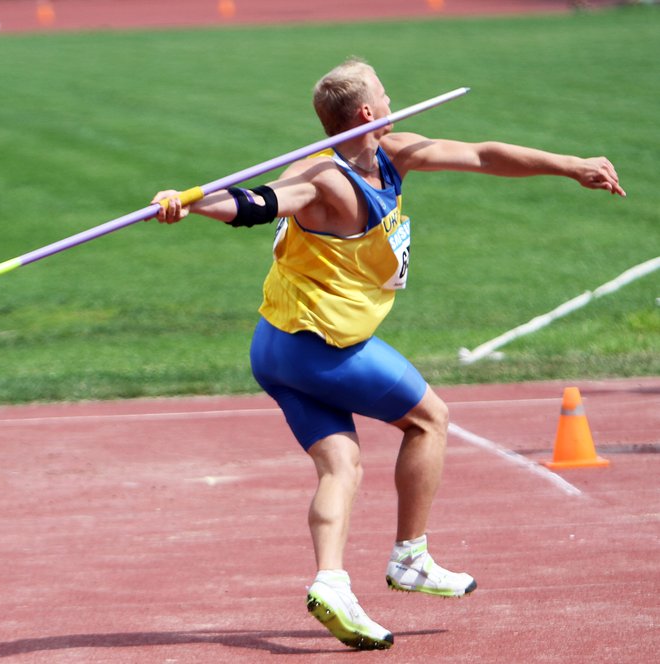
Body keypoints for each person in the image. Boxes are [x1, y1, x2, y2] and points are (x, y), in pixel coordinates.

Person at [152, 57, 624, 651]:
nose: (394, 97)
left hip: (274, 346)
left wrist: (568, 166)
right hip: (318, 348)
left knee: (341, 466)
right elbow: (258, 203)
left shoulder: (394, 154)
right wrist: (190, 202)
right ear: (368, 112)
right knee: (429, 419)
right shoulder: (325, 180)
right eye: (384, 92)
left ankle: (331, 583)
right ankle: (411, 558)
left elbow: (482, 154)